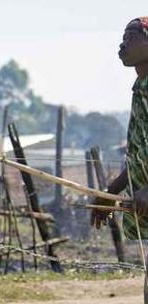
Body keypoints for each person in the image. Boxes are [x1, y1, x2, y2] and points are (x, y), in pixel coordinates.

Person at [91, 17, 148, 239]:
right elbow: (139, 157)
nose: (123, 45)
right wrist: (111, 192)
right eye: (123, 38)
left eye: (132, 38)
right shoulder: (141, 88)